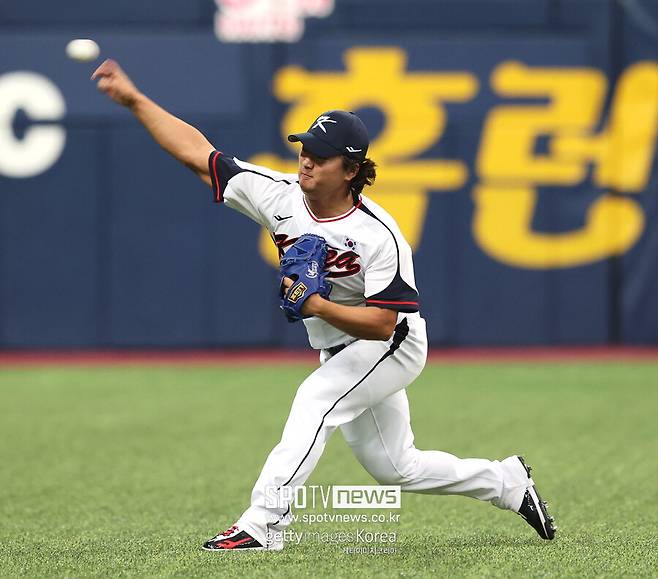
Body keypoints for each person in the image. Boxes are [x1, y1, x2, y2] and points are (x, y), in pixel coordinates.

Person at [92, 59, 557, 552]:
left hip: (391, 345)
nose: (307, 160)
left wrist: (315, 305)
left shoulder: (379, 234)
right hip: (339, 346)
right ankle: (506, 482)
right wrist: (135, 101)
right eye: (305, 148)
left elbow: (383, 323)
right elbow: (199, 154)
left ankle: (262, 524)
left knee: (315, 401)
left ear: (352, 170)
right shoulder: (279, 196)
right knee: (396, 467)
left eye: (322, 154)